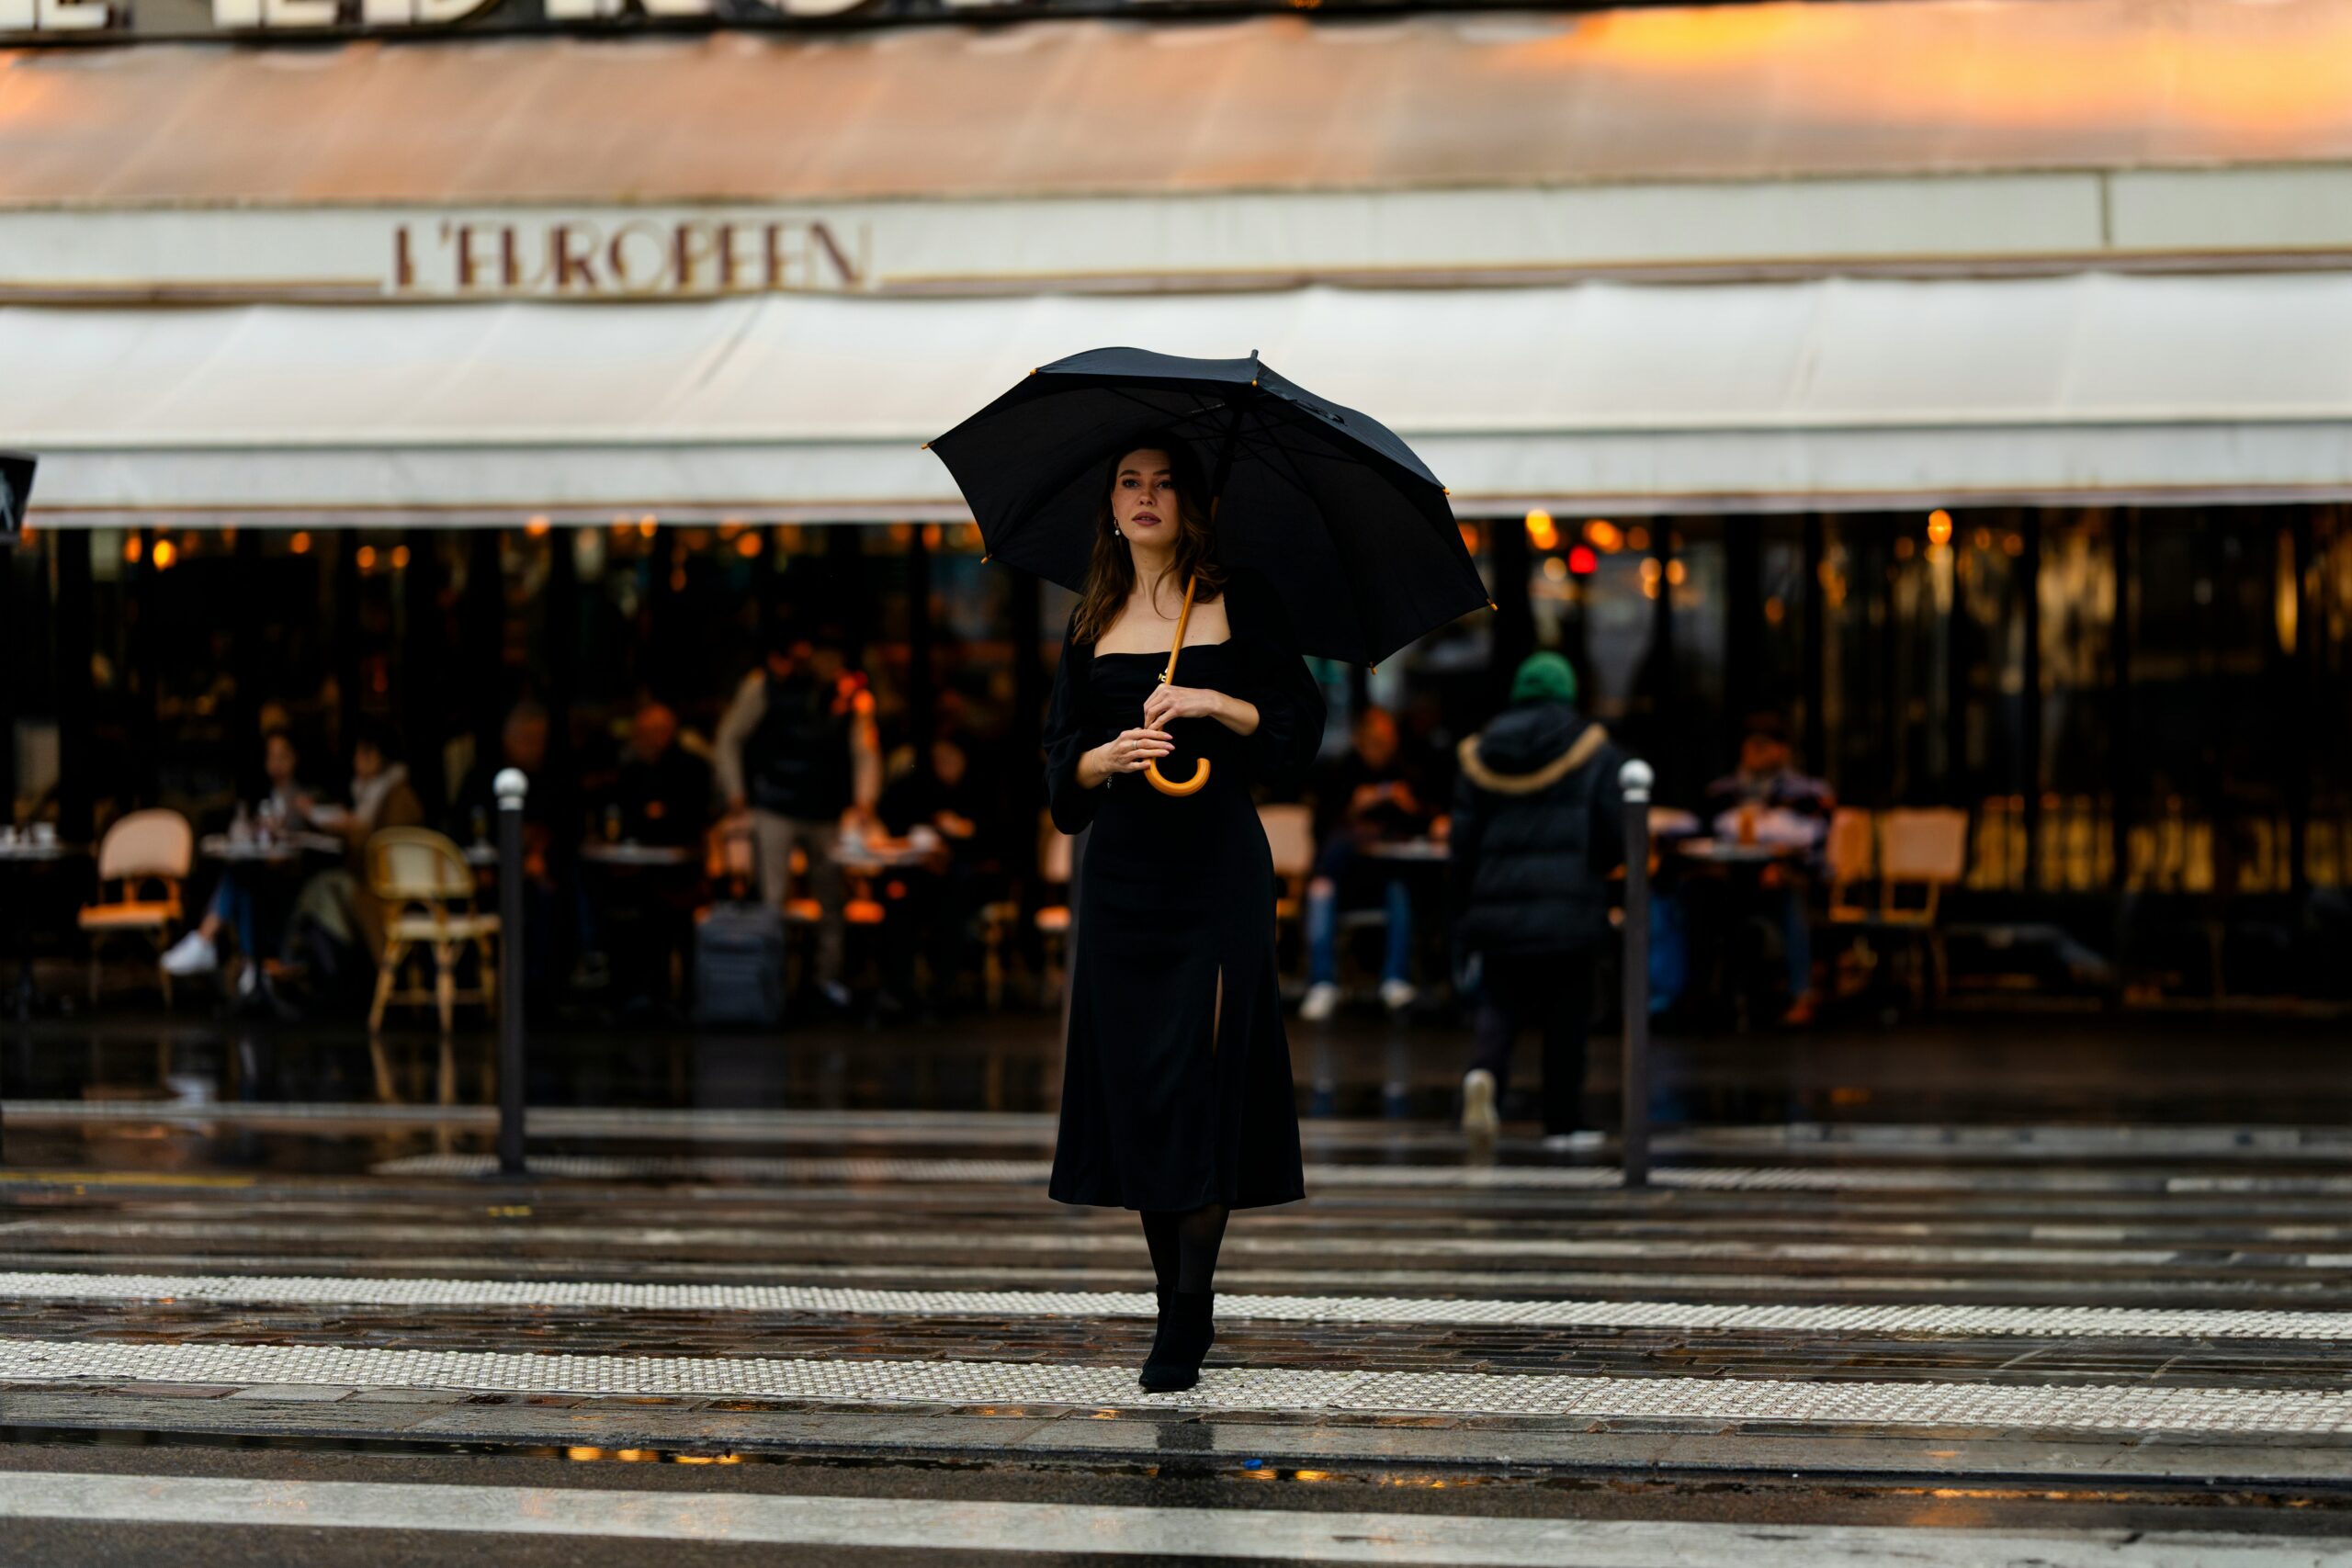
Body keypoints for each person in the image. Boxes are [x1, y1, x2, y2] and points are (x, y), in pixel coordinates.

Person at [1042, 435, 1326, 1393]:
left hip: (1216, 870)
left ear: (1191, 502)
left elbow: (1296, 729)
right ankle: (1171, 1298)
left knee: (1204, 1078)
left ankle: (1188, 1314)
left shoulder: (1238, 596)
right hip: (1123, 874)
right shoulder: (1090, 622)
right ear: (1110, 505)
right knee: (1145, 1088)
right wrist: (1102, 758)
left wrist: (1215, 699)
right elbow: (1058, 774)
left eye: (1164, 481)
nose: (1146, 495)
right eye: (1128, 480)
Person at [1448, 652, 1627, 1145]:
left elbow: (1462, 843)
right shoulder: (1593, 749)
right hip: (1570, 903)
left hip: (1497, 903)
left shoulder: (1480, 751)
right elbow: (1614, 832)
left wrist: (1466, 901)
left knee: (1501, 1002)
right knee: (1567, 1012)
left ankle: (1484, 1073)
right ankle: (1562, 1122)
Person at [715, 625, 880, 1013]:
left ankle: (826, 979)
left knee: (830, 899)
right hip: (775, 804)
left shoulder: (847, 695)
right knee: (772, 898)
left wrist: (863, 800)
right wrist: (736, 790)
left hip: (823, 808)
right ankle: (771, 979)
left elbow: (864, 750)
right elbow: (729, 737)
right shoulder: (766, 686)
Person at [1702, 712, 1836, 1025]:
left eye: (1763, 746)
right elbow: (1704, 833)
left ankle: (1801, 993)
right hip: (1732, 876)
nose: (1753, 753)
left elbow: (1817, 842)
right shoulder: (1724, 790)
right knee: (1691, 893)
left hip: (1791, 878)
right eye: (1749, 746)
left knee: (1791, 897)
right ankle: (1705, 993)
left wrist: (1783, 865)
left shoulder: (1807, 792)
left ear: (1781, 750)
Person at [1298, 705, 1431, 1021]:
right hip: (1340, 875)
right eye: (1375, 741)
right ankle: (1322, 983)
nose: (1382, 749)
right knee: (1320, 890)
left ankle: (1395, 980)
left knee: (1400, 890)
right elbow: (1319, 829)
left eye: (1388, 742)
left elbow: (1425, 826)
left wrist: (1411, 807)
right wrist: (1353, 806)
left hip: (1385, 874)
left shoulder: (1405, 772)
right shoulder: (1340, 773)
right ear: (1360, 740)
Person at [161, 728, 319, 991]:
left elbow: (300, 845)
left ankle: (207, 941)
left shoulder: (303, 799)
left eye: (283, 756)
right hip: (260, 876)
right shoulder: (258, 797)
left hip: (289, 882)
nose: (277, 764)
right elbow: (240, 832)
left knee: (241, 878)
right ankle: (247, 966)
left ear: (295, 759)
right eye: (272, 757)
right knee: (243, 880)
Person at [587, 702, 716, 1012]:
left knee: (664, 912)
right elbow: (620, 818)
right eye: (639, 734)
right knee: (618, 904)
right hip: (635, 872)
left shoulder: (692, 769)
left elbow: (688, 819)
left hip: (679, 874)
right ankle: (628, 989)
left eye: (649, 734)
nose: (642, 741)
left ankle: (672, 994)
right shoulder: (629, 772)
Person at [874, 731, 991, 1017]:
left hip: (959, 881)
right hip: (916, 876)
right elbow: (895, 823)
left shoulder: (978, 791)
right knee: (897, 907)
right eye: (938, 761)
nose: (944, 768)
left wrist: (955, 847)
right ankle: (899, 990)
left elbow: (989, 841)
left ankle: (943, 991)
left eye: (950, 761)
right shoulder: (915, 790)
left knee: (951, 914)